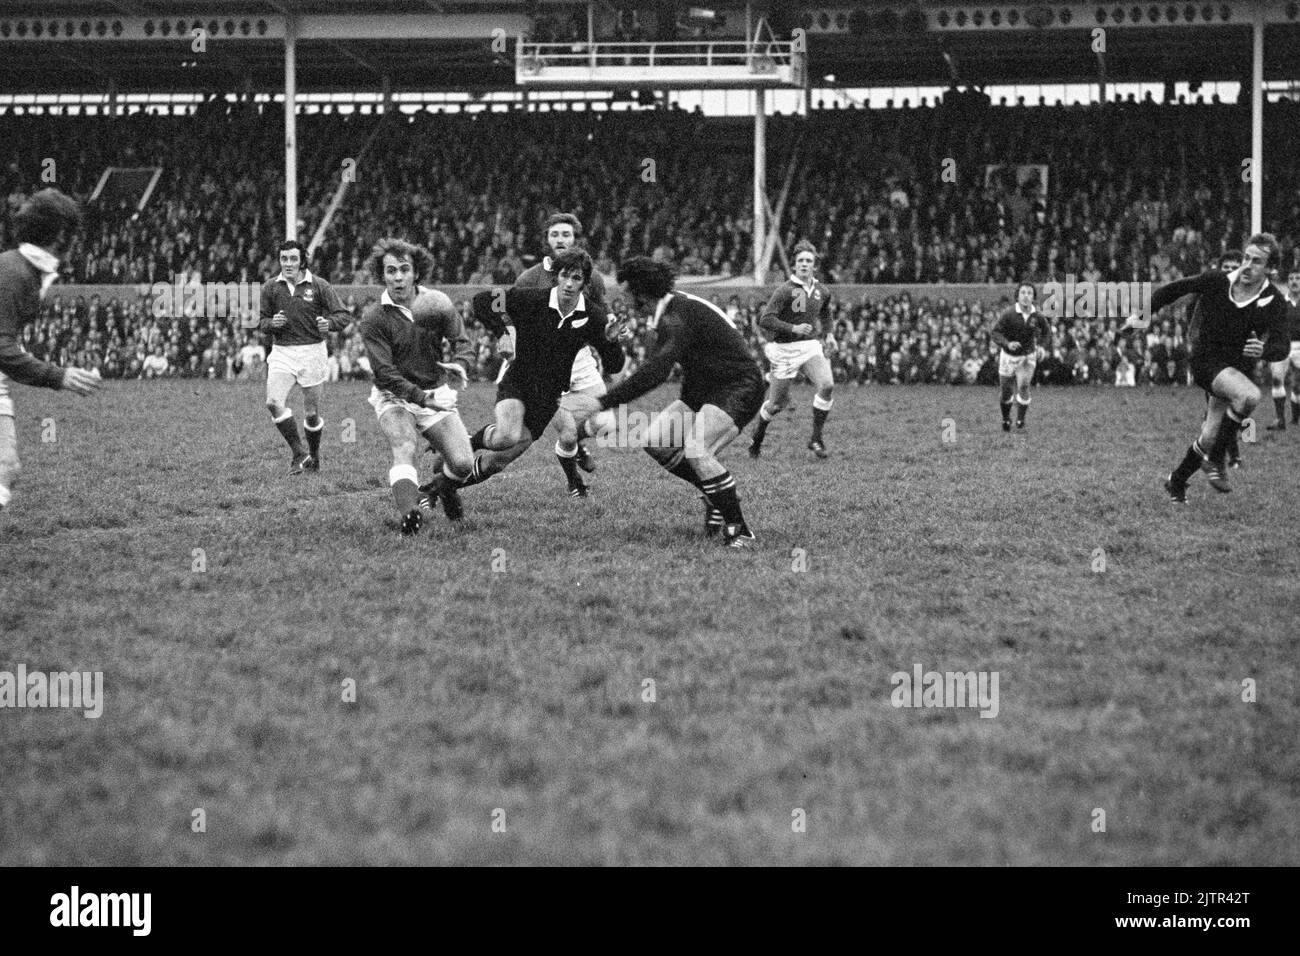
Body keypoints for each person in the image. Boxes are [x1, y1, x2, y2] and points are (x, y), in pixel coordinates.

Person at [568, 257, 765, 548]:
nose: (623, 297)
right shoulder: (670, 310)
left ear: (642, 293)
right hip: (703, 388)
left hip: (738, 386)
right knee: (656, 440)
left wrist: (602, 402)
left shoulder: (676, 317)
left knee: (698, 451)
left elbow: (656, 372)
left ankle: (740, 531)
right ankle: (715, 495)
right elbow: (656, 364)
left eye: (626, 291)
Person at [422, 247, 626, 512]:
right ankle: (464, 445)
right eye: (564, 275)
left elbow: (614, 364)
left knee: (497, 463)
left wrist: (611, 342)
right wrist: (504, 331)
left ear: (584, 283)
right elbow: (483, 300)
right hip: (518, 381)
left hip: (548, 398)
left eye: (576, 278)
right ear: (556, 277)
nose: (568, 283)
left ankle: (441, 487)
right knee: (507, 435)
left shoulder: (592, 316)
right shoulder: (533, 299)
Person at [1124, 234, 1290, 502]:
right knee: (1249, 396)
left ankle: (1176, 481)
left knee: (1210, 434)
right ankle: (1216, 460)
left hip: (1234, 372)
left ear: (1270, 268)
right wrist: (1141, 316)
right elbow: (1172, 290)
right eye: (1246, 257)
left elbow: (1282, 345)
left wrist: (1265, 350)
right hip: (1206, 361)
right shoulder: (1217, 280)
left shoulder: (1274, 300)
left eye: (1256, 261)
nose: (1247, 265)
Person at [359, 238, 475, 535]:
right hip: (395, 396)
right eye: (391, 271)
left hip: (435, 393)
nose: (398, 277)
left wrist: (459, 366)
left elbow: (462, 342)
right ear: (382, 275)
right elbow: (384, 373)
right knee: (404, 445)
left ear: (416, 273)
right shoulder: (374, 317)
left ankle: (443, 490)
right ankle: (410, 513)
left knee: (463, 464)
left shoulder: (436, 303)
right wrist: (421, 398)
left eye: (404, 269)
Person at [0, 188, 101, 514]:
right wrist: (58, 376)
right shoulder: (15, 274)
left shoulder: (20, 268)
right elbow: (1, 348)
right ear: (60, 235)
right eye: (73, 233)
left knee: (7, 468)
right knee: (5, 468)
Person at [513, 212, 611, 497]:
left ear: (575, 239)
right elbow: (511, 314)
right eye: (555, 234)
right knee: (566, 433)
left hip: (579, 359)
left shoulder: (591, 277)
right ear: (546, 240)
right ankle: (574, 482)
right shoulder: (529, 278)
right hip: (544, 365)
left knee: (603, 422)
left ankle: (576, 447)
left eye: (566, 234)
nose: (560, 239)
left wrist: (613, 331)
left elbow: (602, 314)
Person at [258, 240, 351, 475]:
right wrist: (272, 324)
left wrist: (328, 323)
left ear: (302, 261)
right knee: (273, 402)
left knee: (311, 414)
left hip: (312, 353)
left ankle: (315, 456)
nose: (288, 263)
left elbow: (343, 316)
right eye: (284, 259)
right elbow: (262, 321)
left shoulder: (319, 285)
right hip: (282, 352)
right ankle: (299, 452)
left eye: (293, 259)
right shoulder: (271, 287)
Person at [748, 240, 837, 458]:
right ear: (795, 265)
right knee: (776, 404)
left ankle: (816, 439)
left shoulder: (822, 291)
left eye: (809, 261)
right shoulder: (785, 290)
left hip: (809, 346)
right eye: (801, 261)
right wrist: (793, 327)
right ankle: (757, 436)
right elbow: (765, 319)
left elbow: (826, 313)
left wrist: (830, 334)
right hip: (784, 350)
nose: (805, 264)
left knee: (827, 385)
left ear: (814, 265)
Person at [990, 282, 1052, 431]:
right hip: (1008, 357)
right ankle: (1006, 419)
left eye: (1029, 293)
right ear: (1017, 296)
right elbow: (995, 333)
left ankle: (1020, 420)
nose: (1026, 296)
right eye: (1023, 292)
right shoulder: (1008, 314)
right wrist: (1007, 343)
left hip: (1027, 355)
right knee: (1006, 392)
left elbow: (1047, 332)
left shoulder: (1037, 315)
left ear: (1034, 297)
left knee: (1024, 384)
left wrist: (1042, 347)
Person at [1264, 267, 1300, 432]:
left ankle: (1295, 419)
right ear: (1287, 282)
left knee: (1298, 385)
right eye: (1291, 278)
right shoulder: (1280, 302)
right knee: (1277, 380)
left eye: (1297, 278)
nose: (1294, 281)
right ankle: (1280, 420)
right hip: (1282, 345)